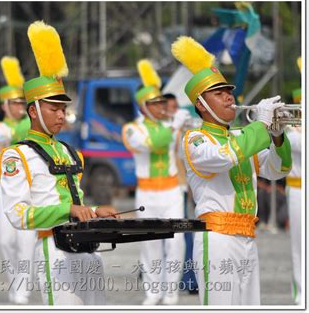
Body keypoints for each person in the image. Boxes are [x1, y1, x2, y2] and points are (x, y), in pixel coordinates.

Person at [0, 21, 119, 305]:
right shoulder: (17, 156)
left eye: (63, 109)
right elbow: (18, 214)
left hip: (89, 250)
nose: (61, 115)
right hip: (55, 251)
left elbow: (72, 202)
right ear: (33, 110)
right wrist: (70, 210)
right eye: (54, 108)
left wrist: (93, 211)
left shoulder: (68, 151)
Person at [171, 36, 292, 305]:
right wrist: (260, 126)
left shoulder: (240, 135)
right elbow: (226, 155)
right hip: (217, 238)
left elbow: (277, 169)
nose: (229, 97)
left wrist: (277, 136)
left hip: (247, 236)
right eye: (219, 93)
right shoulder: (195, 139)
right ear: (201, 104)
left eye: (229, 91)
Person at [122, 60, 190, 305]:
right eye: (155, 104)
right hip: (147, 193)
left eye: (162, 102)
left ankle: (171, 291)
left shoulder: (172, 123)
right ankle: (153, 292)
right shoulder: (132, 128)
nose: (161, 107)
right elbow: (152, 143)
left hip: (172, 189)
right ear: (143, 107)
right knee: (149, 242)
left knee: (177, 241)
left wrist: (183, 125)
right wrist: (175, 125)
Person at [0, 56, 34, 305]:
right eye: (15, 103)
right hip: (6, 189)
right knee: (5, 241)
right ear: (4, 105)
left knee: (26, 242)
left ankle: (22, 289)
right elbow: (6, 135)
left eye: (23, 103)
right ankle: (16, 284)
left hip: (30, 189)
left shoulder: (30, 126)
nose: (20, 107)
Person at [286, 57, 302, 305]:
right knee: (300, 243)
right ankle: (301, 293)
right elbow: (297, 145)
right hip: (299, 189)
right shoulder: (291, 126)